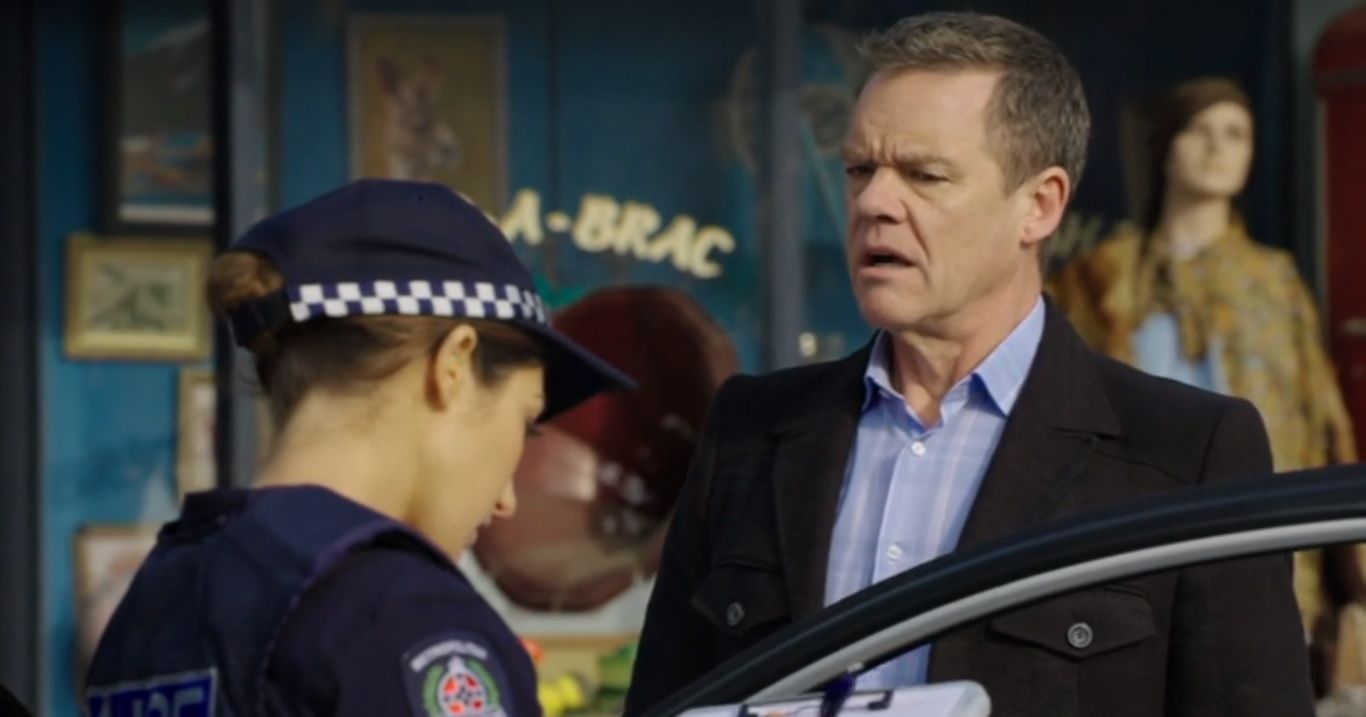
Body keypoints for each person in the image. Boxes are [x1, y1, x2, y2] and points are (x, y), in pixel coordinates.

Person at [624, 12, 1313, 717]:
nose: (873, 202)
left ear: (1039, 206)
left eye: (924, 175)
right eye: (860, 169)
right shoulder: (749, 432)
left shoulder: (1184, 453)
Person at [84, 179, 632, 716]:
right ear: (455, 364)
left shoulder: (157, 598)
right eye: (526, 420)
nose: (505, 500)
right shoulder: (404, 618)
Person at [1049, 76, 1361, 695]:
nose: (1219, 148)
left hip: (1256, 533)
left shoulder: (1272, 281)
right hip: (1128, 541)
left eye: (1236, 134)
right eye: (1201, 130)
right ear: (1167, 147)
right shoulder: (1100, 277)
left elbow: (1322, 421)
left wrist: (1351, 571)